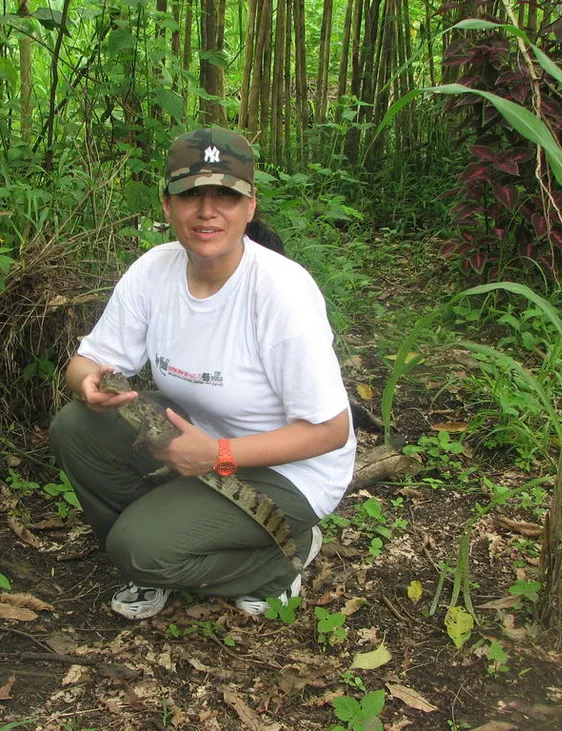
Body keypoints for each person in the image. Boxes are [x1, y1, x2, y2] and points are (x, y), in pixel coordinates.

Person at [49, 128, 356, 620]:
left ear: (250, 206)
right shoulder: (154, 270)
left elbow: (332, 430)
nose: (207, 211)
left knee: (140, 549)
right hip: (199, 442)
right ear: (167, 204)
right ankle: (164, 550)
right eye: (191, 194)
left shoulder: (282, 293)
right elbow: (87, 362)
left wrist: (217, 454)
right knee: (76, 425)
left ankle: (279, 557)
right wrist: (86, 380)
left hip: (286, 469)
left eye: (226, 196)